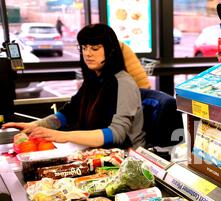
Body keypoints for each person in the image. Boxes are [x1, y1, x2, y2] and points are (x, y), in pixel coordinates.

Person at [3, 23, 146, 149]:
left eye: (95, 48)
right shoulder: (94, 78)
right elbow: (69, 112)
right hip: (95, 150)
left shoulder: (123, 82)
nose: (87, 54)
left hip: (124, 156)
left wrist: (64, 136)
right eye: (84, 48)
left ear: (110, 51)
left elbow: (117, 134)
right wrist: (37, 125)